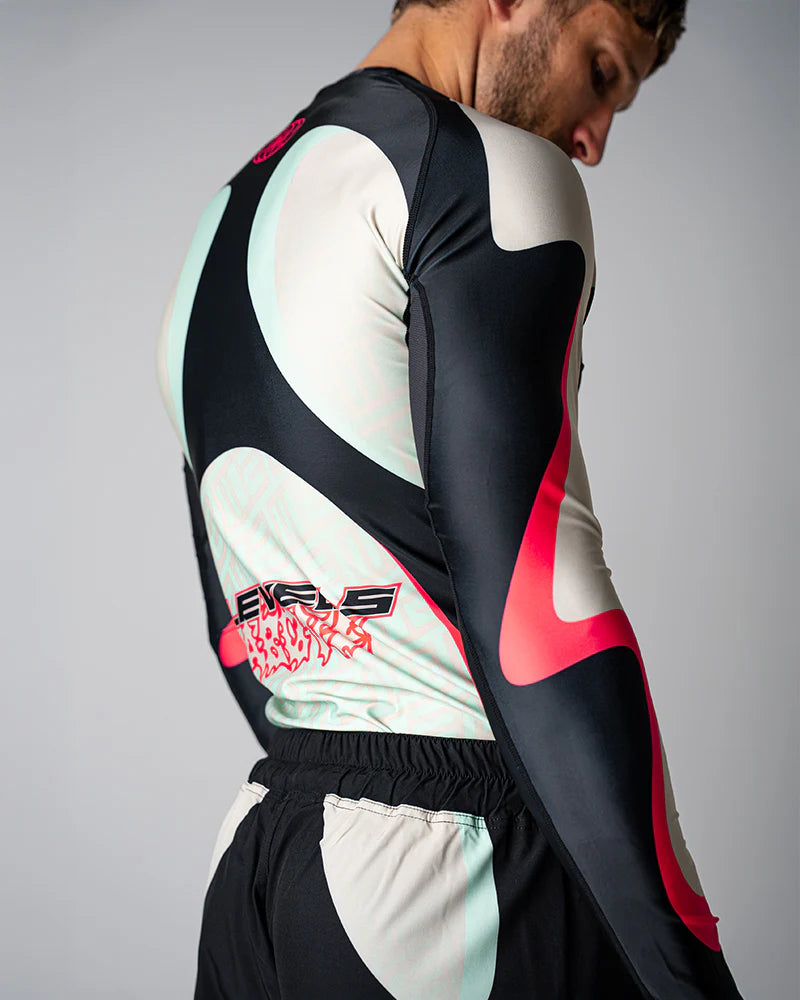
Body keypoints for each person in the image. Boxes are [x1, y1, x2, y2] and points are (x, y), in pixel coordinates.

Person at [154, 1, 746, 997]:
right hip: (454, 890)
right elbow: (542, 620)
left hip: (264, 867)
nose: (593, 140)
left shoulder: (224, 217)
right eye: (603, 71)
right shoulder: (482, 172)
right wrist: (687, 974)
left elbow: (237, 630)